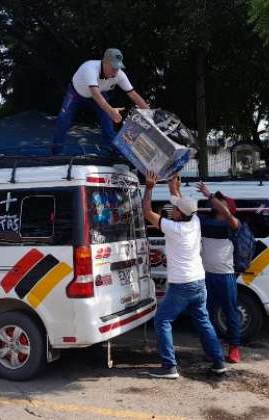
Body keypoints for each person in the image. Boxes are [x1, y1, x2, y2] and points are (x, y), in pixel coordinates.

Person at [141, 172, 227, 379]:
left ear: (179, 214)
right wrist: (173, 188)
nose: (173, 210)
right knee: (203, 321)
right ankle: (218, 362)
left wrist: (149, 187)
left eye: (176, 209)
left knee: (162, 320)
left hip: (183, 284)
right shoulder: (194, 220)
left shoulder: (174, 228)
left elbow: (146, 211)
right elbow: (180, 202)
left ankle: (169, 366)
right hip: (199, 281)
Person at [52, 48, 149, 155]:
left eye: (118, 68)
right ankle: (56, 153)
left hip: (99, 94)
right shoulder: (90, 68)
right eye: (113, 67)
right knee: (63, 120)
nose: (115, 71)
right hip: (76, 94)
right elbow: (95, 93)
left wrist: (150, 114)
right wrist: (111, 111)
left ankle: (113, 153)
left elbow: (133, 94)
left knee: (108, 124)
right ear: (104, 62)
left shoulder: (119, 75)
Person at [195, 182, 242, 364]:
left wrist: (209, 195)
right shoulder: (205, 222)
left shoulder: (233, 225)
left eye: (221, 203)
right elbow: (186, 211)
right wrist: (174, 189)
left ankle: (234, 348)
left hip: (226, 276)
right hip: (206, 276)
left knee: (230, 313)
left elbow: (228, 214)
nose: (216, 204)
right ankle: (211, 350)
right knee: (206, 314)